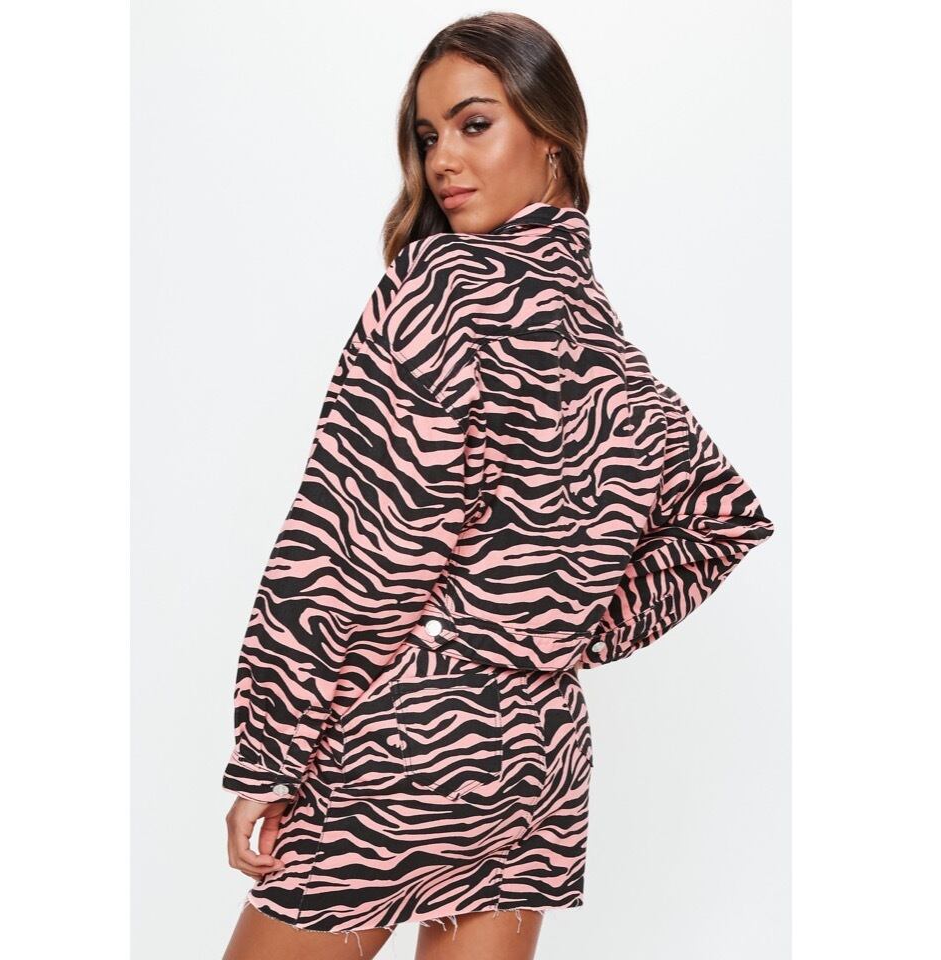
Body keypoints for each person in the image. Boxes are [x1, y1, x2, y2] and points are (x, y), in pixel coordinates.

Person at [220, 12, 774, 960]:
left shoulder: (434, 290)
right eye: (428, 134)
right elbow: (719, 520)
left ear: (552, 138)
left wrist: (269, 750)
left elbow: (353, 546)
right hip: (540, 753)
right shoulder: (605, 343)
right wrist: (544, 641)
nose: (443, 159)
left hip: (410, 737)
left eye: (475, 124)